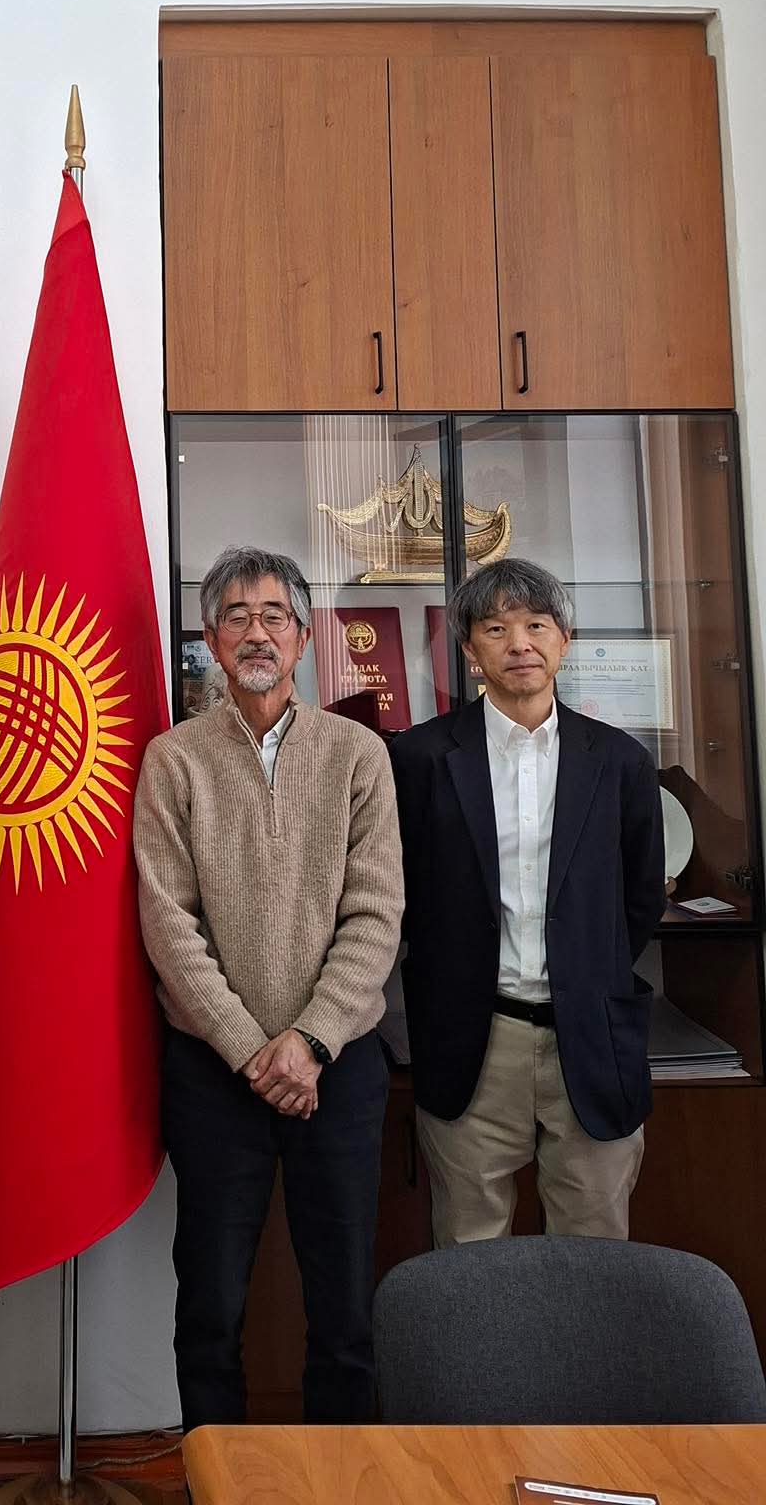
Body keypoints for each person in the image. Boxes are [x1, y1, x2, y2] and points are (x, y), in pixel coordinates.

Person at [133, 546, 403, 1426]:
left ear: (303, 637)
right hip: (216, 1075)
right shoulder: (173, 760)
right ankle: (217, 1476)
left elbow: (376, 914)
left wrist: (311, 1041)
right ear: (211, 640)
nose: (257, 632)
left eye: (274, 615)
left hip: (339, 1069)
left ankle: (340, 1477)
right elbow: (168, 923)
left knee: (345, 1309)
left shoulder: (359, 754)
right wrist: (255, 1051)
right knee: (210, 1308)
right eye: (236, 617)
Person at [390, 557, 666, 1245]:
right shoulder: (420, 759)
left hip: (590, 1036)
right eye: (496, 628)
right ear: (469, 650)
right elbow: (401, 895)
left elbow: (639, 900)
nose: (519, 643)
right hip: (473, 1037)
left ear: (564, 641)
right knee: (469, 1251)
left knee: (594, 1244)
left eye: (537, 625)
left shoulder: (621, 762)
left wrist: (585, 975)